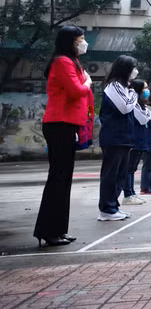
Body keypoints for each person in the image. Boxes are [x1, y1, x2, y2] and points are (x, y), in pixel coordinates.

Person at [34, 26, 92, 247]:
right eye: (80, 40)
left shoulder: (71, 61)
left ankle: (58, 229)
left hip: (68, 125)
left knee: (64, 179)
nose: (83, 43)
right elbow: (76, 90)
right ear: (70, 42)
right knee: (58, 178)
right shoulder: (62, 62)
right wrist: (87, 83)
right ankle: (48, 231)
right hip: (59, 124)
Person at [97, 55, 140, 221]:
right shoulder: (114, 86)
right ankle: (106, 209)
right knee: (111, 175)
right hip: (114, 137)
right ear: (125, 69)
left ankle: (113, 207)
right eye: (133, 68)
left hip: (124, 137)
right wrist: (134, 94)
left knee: (120, 175)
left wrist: (131, 93)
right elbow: (125, 107)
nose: (135, 71)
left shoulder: (125, 88)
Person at [121, 79, 150, 206]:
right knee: (128, 169)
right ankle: (127, 194)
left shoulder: (140, 105)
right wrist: (148, 112)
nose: (147, 91)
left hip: (140, 140)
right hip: (133, 140)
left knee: (132, 168)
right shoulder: (134, 104)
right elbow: (143, 119)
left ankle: (132, 193)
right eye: (145, 88)